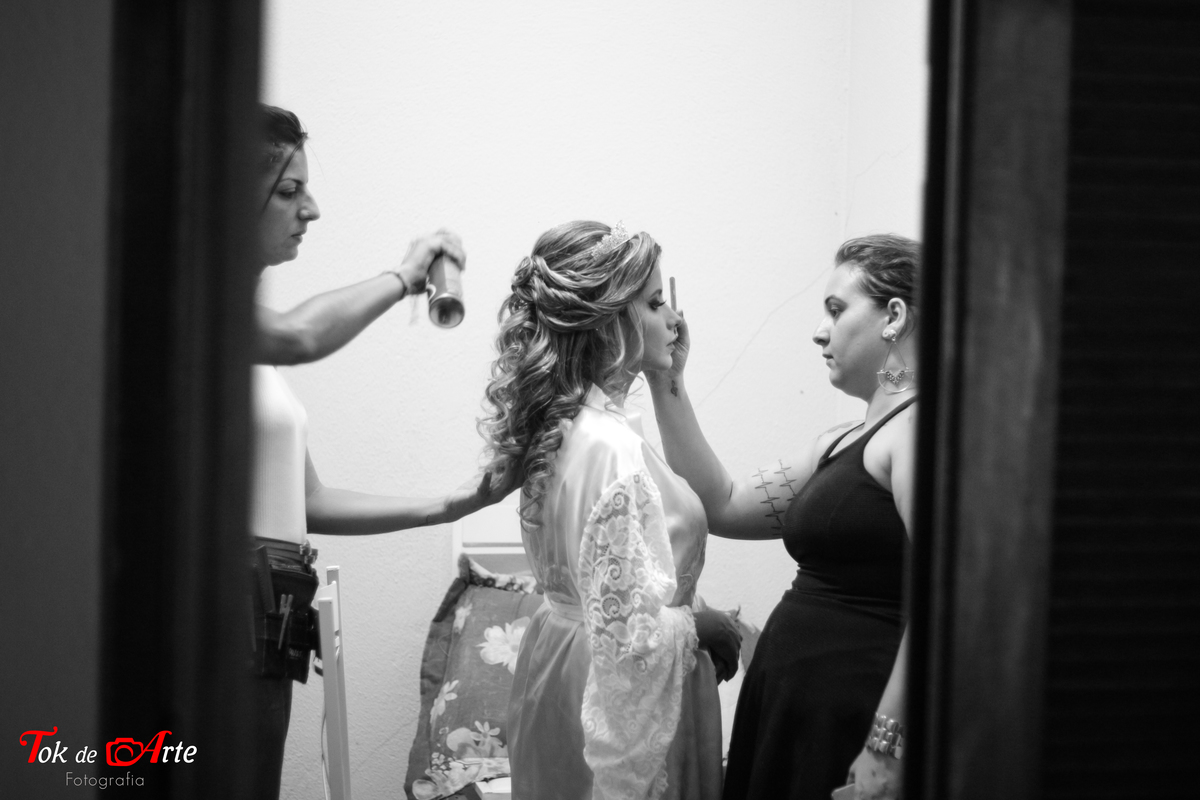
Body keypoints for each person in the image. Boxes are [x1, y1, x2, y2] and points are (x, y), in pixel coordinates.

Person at [249, 104, 503, 799]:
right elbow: (302, 336)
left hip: (265, 628)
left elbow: (306, 502)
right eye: (289, 191)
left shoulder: (252, 355)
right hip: (217, 625)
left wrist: (451, 504)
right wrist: (403, 277)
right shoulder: (199, 313)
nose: (312, 209)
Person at [644, 235, 920, 800]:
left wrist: (886, 745)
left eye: (837, 310)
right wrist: (666, 378)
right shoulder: (842, 440)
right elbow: (722, 502)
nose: (820, 331)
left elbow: (945, 598)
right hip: (794, 704)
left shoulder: (918, 430)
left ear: (894, 317)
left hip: (853, 713)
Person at [481, 221, 743, 800]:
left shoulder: (564, 427)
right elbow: (628, 637)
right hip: (611, 690)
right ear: (610, 321)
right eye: (654, 303)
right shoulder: (610, 446)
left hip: (558, 665)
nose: (674, 320)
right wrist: (700, 627)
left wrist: (668, 376)